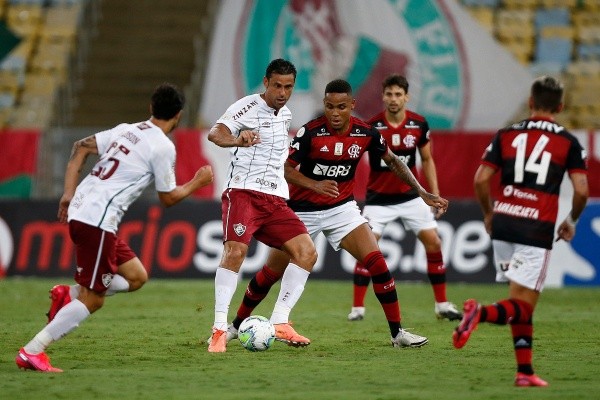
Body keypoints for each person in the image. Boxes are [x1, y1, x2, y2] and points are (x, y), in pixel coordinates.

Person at [217, 79, 449, 348]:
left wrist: (422, 191)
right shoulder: (311, 133)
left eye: (341, 107)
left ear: (352, 105)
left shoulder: (366, 132)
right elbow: (286, 169)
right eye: (329, 106)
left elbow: (394, 161)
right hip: (302, 211)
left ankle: (397, 334)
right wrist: (314, 184)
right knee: (271, 272)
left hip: (342, 210)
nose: (335, 113)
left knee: (378, 264)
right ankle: (235, 326)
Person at [15, 83, 214, 372]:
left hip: (85, 211)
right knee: (94, 300)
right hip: (96, 220)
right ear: (179, 115)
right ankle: (33, 351)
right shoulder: (162, 146)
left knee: (136, 277)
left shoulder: (127, 129)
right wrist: (197, 182)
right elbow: (168, 198)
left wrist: (68, 193)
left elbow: (80, 147)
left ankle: (67, 296)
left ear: (150, 108)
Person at [454, 76, 588, 387]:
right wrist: (571, 221)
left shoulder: (507, 134)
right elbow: (581, 191)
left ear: (530, 103)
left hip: (504, 223)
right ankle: (479, 314)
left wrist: (489, 214)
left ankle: (524, 372)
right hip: (535, 227)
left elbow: (480, 180)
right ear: (560, 106)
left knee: (518, 301)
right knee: (524, 305)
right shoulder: (568, 141)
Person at [206, 59, 317, 352]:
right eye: (277, 85)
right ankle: (218, 330)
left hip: (275, 199)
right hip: (243, 193)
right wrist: (236, 140)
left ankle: (280, 321)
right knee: (236, 252)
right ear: (266, 82)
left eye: (289, 86)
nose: (282, 92)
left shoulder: (287, 114)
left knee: (306, 252)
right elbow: (214, 134)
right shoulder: (246, 106)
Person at [348, 74, 462, 322]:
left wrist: (435, 193)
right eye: (389, 94)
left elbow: (428, 160)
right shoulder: (373, 125)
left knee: (434, 242)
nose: (393, 99)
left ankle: (442, 305)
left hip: (412, 198)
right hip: (378, 200)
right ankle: (357, 308)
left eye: (398, 94)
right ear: (383, 96)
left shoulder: (419, 125)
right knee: (366, 249)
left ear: (406, 97)